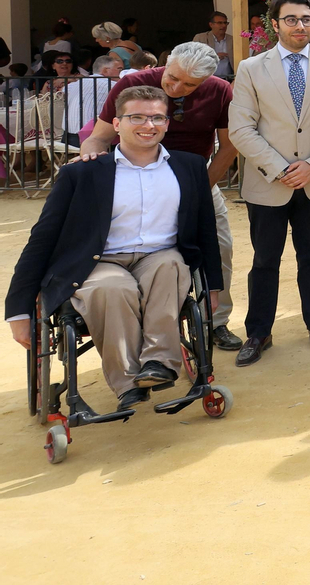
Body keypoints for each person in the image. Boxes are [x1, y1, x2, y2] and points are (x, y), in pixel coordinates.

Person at [6, 85, 223, 410]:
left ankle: (159, 365)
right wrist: (18, 309)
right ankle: (127, 383)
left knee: (171, 265)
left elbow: (207, 230)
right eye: (137, 117)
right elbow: (42, 239)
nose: (148, 125)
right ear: (116, 123)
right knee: (111, 288)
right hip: (99, 263)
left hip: (160, 256)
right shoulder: (81, 173)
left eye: (157, 118)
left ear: (167, 124)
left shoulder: (189, 167)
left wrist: (214, 285)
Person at [83, 42, 241, 351]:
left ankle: (216, 321)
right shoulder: (132, 84)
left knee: (219, 246)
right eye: (173, 78)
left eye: (189, 85)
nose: (177, 88)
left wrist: (202, 187)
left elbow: (230, 145)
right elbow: (99, 137)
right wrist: (88, 162)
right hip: (133, 179)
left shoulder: (220, 91)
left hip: (196, 180)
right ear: (166, 63)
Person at [228, 0, 310, 364]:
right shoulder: (250, 69)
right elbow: (240, 129)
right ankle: (258, 333)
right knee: (264, 261)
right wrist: (279, 168)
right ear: (274, 24)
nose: (300, 26)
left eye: (306, 19)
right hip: (268, 182)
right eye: (291, 19)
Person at [64, 55, 120, 146]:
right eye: (119, 69)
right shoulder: (113, 85)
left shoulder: (74, 84)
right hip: (92, 138)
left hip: (68, 137)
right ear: (105, 70)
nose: (121, 73)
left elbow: (63, 91)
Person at [194, 11, 234, 79]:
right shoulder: (200, 38)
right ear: (211, 24)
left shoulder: (233, 40)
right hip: (207, 79)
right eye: (219, 23)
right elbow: (193, 58)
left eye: (225, 23)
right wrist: (214, 57)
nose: (223, 25)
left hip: (229, 79)